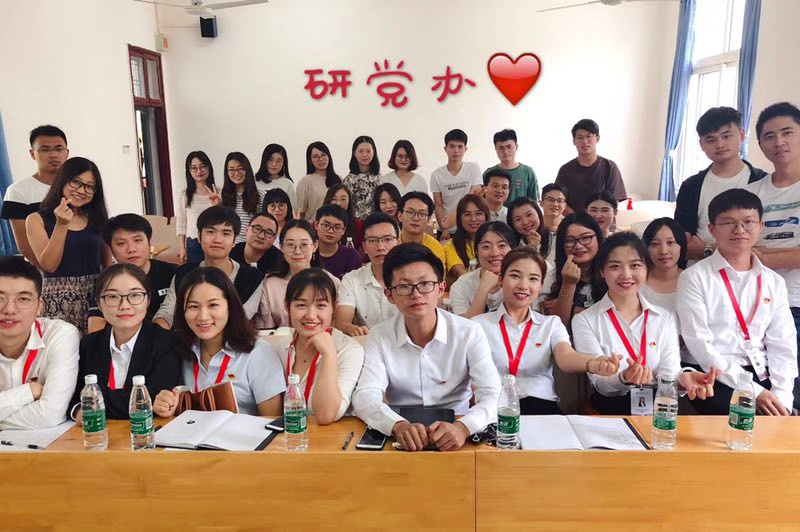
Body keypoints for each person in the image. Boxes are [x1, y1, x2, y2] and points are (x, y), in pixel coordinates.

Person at [352, 244, 501, 452]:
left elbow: (493, 394)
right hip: (402, 436)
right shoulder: (380, 336)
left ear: (440, 288)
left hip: (457, 434)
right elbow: (365, 395)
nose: (416, 294)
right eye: (404, 286)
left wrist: (464, 427)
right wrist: (396, 425)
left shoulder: (469, 332)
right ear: (389, 295)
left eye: (425, 284)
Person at [677, 189, 797, 415]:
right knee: (745, 415)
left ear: (761, 226)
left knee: (783, 413)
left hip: (761, 370)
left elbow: (783, 342)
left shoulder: (774, 281)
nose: (739, 230)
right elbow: (699, 343)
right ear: (712, 229)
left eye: (748, 222)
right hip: (712, 373)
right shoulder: (694, 277)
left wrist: (782, 395)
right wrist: (755, 392)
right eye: (728, 222)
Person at [573, 232, 719, 415]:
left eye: (635, 265)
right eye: (615, 267)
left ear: (646, 268)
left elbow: (669, 372)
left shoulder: (664, 318)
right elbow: (600, 383)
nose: (626, 275)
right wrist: (624, 377)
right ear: (602, 271)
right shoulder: (585, 320)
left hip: (660, 410)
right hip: (610, 410)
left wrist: (684, 379)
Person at [473, 247, 621, 414]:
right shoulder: (478, 325)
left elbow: (566, 356)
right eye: (515, 276)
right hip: (493, 408)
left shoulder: (551, 324)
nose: (523, 285)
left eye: (533, 279)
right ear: (501, 279)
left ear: (541, 286)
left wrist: (593, 363)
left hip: (541, 407)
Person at [153, 267, 285, 417]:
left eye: (213, 305)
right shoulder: (177, 349)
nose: (203, 316)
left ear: (230, 306)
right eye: (193, 306)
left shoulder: (259, 353)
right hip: (191, 431)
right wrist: (165, 404)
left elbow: (271, 420)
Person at [70, 264, 181, 421]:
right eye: (113, 297)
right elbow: (73, 397)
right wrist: (77, 410)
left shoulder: (167, 342)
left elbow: (152, 400)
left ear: (148, 300)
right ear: (99, 304)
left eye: (135, 295)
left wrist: (94, 402)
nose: (124, 306)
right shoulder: (89, 344)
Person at [747, 102, 800, 409]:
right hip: (759, 304)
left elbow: (751, 252)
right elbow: (740, 248)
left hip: (798, 301)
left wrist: (763, 256)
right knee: (770, 397)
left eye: (787, 132)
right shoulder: (754, 192)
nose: (779, 142)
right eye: (769, 136)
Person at [26, 157, 112, 334]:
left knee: (95, 348)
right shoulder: (36, 219)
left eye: (89, 186)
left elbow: (107, 265)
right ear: (62, 180)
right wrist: (61, 225)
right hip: (57, 301)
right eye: (76, 182)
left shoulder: (97, 219)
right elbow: (49, 265)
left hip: (94, 298)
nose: (82, 190)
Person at [272, 269, 364, 424]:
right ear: (287, 307)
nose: (310, 315)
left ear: (334, 308)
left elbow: (326, 415)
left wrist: (329, 355)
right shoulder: (280, 348)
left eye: (321, 305)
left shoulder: (350, 350)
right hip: (291, 434)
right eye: (301, 305)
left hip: (334, 437)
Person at [675, 107, 766, 261]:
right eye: (711, 139)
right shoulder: (691, 186)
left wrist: (707, 248)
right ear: (701, 144)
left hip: (749, 269)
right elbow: (682, 244)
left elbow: (764, 243)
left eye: (726, 136)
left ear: (741, 135)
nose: (720, 144)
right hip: (699, 269)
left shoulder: (762, 181)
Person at [0, 257, 79, 429]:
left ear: (39, 306)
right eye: (0, 298)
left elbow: (50, 414)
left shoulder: (59, 335)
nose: (9, 310)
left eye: (23, 299)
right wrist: (27, 392)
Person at [154, 206, 263, 328]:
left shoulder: (252, 278)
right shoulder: (185, 273)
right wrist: (157, 333)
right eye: (210, 232)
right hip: (186, 338)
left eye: (226, 233)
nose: (217, 240)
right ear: (199, 236)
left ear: (234, 241)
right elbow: (167, 313)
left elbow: (241, 320)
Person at [88, 214, 178, 332]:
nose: (131, 249)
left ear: (149, 242)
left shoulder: (174, 273)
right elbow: (95, 328)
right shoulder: (106, 281)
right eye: (121, 243)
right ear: (111, 249)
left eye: (138, 240)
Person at [1, 125, 69, 269]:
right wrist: (50, 272)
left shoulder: (79, 189)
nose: (53, 155)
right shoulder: (18, 191)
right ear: (33, 154)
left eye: (59, 149)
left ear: (67, 153)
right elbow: (24, 245)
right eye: (45, 149)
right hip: (43, 272)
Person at [257, 219, 339, 329]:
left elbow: (336, 324)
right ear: (281, 247)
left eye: (304, 245)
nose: (297, 251)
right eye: (290, 245)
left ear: (315, 246)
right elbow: (267, 329)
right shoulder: (269, 285)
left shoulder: (332, 282)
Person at [336, 213, 400, 335]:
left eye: (387, 239)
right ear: (364, 247)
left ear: (398, 242)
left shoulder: (412, 278)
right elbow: (342, 323)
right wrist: (353, 329)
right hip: (366, 342)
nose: (380, 247)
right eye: (372, 240)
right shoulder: (351, 279)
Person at [541, 213, 606, 327]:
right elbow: (557, 325)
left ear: (598, 238)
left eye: (585, 238)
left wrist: (572, 310)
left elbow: (619, 315)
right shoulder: (551, 277)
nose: (578, 246)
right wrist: (568, 284)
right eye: (569, 241)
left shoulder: (610, 272)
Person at [554, 119, 627, 213]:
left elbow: (614, 200)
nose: (585, 141)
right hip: (575, 220)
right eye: (580, 137)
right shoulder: (565, 170)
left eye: (589, 136)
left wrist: (597, 217)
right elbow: (559, 200)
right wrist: (577, 219)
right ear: (574, 141)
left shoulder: (610, 167)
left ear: (597, 138)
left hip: (602, 220)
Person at [450, 222, 518, 318]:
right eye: (486, 247)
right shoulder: (462, 285)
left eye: (502, 245)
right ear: (476, 252)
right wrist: (483, 288)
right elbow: (464, 325)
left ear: (513, 249)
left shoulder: (522, 281)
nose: (494, 253)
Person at [430, 129, 483, 237]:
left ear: (465, 149)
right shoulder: (436, 175)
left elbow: (474, 198)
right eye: (452, 146)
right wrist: (444, 229)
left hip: (469, 227)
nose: (456, 150)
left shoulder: (473, 169)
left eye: (460, 147)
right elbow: (438, 205)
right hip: (446, 230)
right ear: (445, 149)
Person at [176, 151, 220, 263]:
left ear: (209, 167)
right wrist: (182, 248)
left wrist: (218, 205)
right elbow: (181, 223)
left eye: (202, 166)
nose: (199, 171)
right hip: (193, 242)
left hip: (215, 241)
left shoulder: (219, 192)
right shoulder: (185, 194)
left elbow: (225, 219)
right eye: (194, 168)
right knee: (197, 273)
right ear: (189, 170)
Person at [640, 217, 687, 313]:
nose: (663, 251)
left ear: (681, 245)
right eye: (655, 244)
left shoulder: (693, 280)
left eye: (670, 243)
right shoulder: (637, 282)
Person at [482, 128, 539, 204]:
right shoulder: (489, 172)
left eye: (509, 147)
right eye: (501, 148)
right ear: (496, 149)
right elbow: (482, 200)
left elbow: (534, 202)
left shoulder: (527, 172)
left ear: (516, 147)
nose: (505, 151)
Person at [443, 194, 489, 283]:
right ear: (459, 218)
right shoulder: (451, 245)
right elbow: (461, 273)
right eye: (467, 214)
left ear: (486, 216)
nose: (473, 219)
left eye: (478, 213)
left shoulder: (494, 242)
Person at [397, 192, 447, 270]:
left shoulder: (435, 248)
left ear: (428, 219)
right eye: (410, 212)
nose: (416, 218)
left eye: (422, 214)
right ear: (400, 216)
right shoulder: (390, 244)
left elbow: (438, 276)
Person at [220, 152, 260, 243]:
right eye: (231, 170)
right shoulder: (221, 196)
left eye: (241, 168)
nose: (236, 173)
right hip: (229, 245)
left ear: (247, 170)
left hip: (251, 245)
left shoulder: (260, 195)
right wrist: (217, 205)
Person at [314, 205, 361, 280]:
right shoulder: (306, 253)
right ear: (316, 225)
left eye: (337, 227)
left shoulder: (351, 256)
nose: (330, 231)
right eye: (326, 225)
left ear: (343, 230)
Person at [296, 141, 340, 221]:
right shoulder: (306, 181)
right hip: (313, 226)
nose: (320, 159)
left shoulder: (339, 179)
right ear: (310, 160)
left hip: (336, 225)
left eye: (323, 155)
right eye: (315, 156)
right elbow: (300, 213)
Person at [343, 135, 381, 220]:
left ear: (373, 152)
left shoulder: (380, 179)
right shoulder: (348, 180)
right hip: (355, 224)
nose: (364, 155)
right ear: (354, 153)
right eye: (360, 151)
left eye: (368, 151)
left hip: (376, 223)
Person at [254, 143, 297, 209]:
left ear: (284, 163)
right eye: (270, 159)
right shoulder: (254, 180)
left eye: (278, 161)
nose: (274, 164)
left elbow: (293, 210)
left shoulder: (288, 184)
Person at [324, 183, 362, 250]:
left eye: (343, 199)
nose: (338, 203)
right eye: (334, 199)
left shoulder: (358, 225)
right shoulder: (319, 224)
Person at [540, 183, 567, 263]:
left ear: (565, 205)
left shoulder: (569, 228)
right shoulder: (534, 227)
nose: (555, 204)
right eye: (550, 199)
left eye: (559, 201)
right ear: (541, 203)